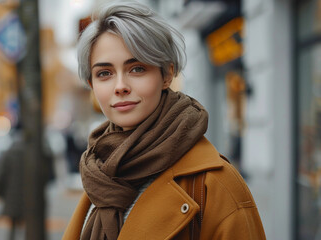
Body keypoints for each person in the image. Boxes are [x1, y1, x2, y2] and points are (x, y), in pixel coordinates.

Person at [62, 1, 266, 239]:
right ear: (92, 85)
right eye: (104, 73)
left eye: (137, 68)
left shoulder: (216, 184)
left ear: (167, 74)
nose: (120, 87)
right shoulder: (100, 170)